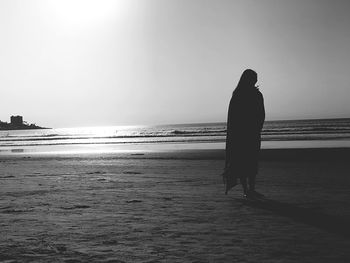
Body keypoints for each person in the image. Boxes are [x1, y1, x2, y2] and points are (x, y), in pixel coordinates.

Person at [223, 69, 265, 198]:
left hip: (250, 133)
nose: (256, 80)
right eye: (254, 78)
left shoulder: (244, 94)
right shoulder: (240, 95)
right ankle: (247, 189)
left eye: (256, 78)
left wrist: (258, 127)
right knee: (244, 161)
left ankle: (250, 189)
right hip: (243, 134)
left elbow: (261, 114)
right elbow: (235, 117)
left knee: (250, 161)